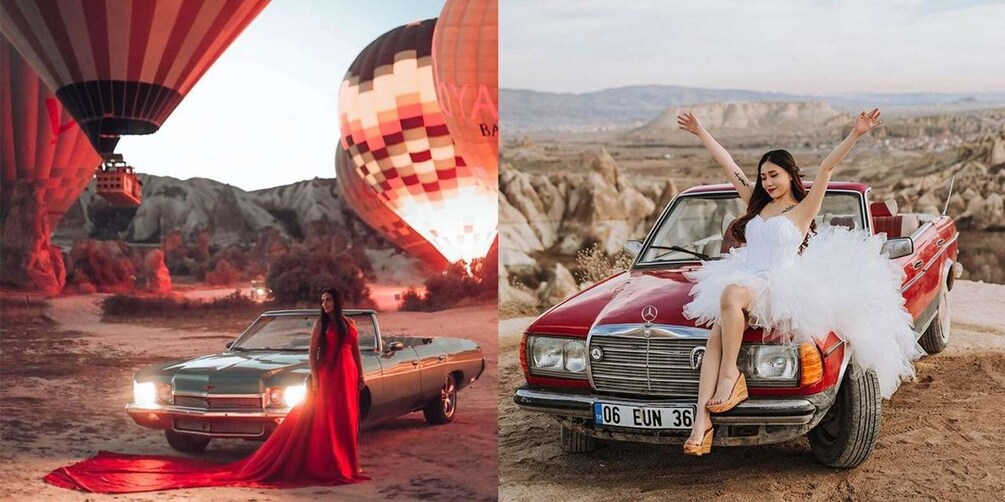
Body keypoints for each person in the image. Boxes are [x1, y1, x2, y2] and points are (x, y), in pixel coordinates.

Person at [675, 110, 924, 455]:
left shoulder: (802, 210)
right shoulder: (756, 203)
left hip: (779, 280)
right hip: (748, 274)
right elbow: (728, 163)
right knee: (716, 333)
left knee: (730, 296)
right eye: (763, 177)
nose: (767, 182)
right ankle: (701, 424)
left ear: (790, 175)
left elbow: (827, 168)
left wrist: (855, 133)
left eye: (774, 175)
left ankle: (731, 377)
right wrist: (700, 131)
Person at [43, 288, 369, 492]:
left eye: (328, 299)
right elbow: (313, 353)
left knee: (343, 421)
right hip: (325, 376)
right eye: (321, 300)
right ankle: (332, 463)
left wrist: (360, 375)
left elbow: (353, 353)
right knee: (328, 422)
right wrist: (315, 375)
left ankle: (343, 463)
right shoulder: (320, 325)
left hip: (345, 375)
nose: (324, 304)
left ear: (336, 301)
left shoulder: (350, 326)